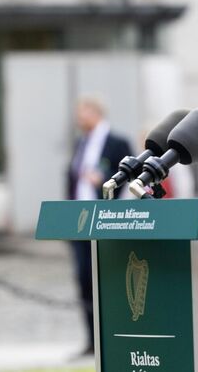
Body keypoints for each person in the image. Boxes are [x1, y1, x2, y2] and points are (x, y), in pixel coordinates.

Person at [67, 96, 132, 355]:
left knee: (109, 280)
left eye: (82, 111)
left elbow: (129, 178)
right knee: (84, 279)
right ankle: (92, 341)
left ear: (95, 112)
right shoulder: (80, 143)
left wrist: (104, 180)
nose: (79, 117)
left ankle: (114, 337)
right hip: (80, 222)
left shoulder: (117, 142)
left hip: (106, 219)